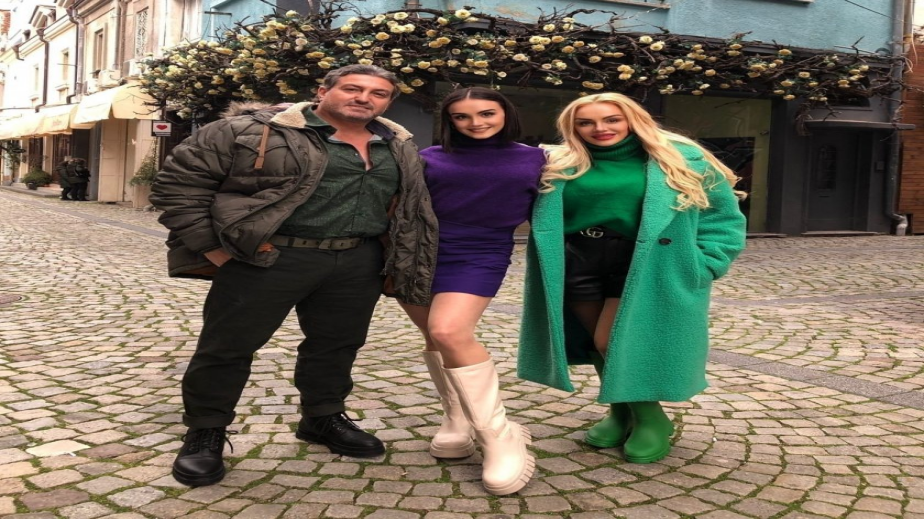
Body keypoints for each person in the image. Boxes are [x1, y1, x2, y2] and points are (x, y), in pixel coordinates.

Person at [149, 64, 438, 487]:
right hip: (268, 256)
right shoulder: (249, 130)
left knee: (337, 345)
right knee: (226, 347)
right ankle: (205, 431)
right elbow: (178, 186)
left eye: (378, 93)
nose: (364, 98)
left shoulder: (397, 144)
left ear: (388, 103)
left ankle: (322, 417)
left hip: (357, 259)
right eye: (353, 88)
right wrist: (214, 250)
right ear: (322, 91)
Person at [518, 92, 747, 464]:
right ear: (572, 128)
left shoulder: (680, 157)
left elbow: (723, 217)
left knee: (611, 340)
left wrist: (706, 262)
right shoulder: (557, 163)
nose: (600, 128)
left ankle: (651, 419)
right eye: (586, 122)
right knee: (595, 342)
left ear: (631, 119)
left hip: (647, 260)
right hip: (579, 258)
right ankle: (621, 412)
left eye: (611, 119)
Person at [399, 87, 544, 496]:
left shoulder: (538, 159)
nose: (475, 123)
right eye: (461, 116)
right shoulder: (427, 157)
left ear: (505, 113)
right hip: (416, 252)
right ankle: (456, 418)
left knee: (449, 331)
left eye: (486, 113)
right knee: (433, 336)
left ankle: (499, 435)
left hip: (480, 251)